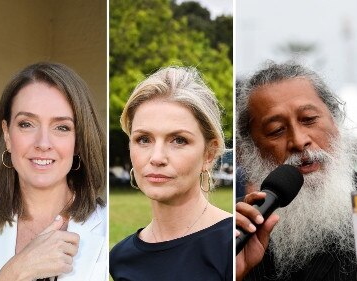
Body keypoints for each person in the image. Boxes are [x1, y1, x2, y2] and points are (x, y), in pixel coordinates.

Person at [0, 62, 107, 280]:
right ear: (7, 135)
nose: (43, 143)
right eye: (26, 124)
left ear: (78, 141)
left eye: (62, 127)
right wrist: (17, 271)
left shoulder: (109, 230)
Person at [235, 61, 357, 280]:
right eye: (276, 130)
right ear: (250, 150)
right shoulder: (237, 230)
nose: (299, 142)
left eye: (309, 119)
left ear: (335, 121)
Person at [110, 66, 233, 281]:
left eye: (179, 140)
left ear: (209, 154)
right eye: (144, 140)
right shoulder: (120, 257)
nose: (157, 158)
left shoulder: (234, 244)